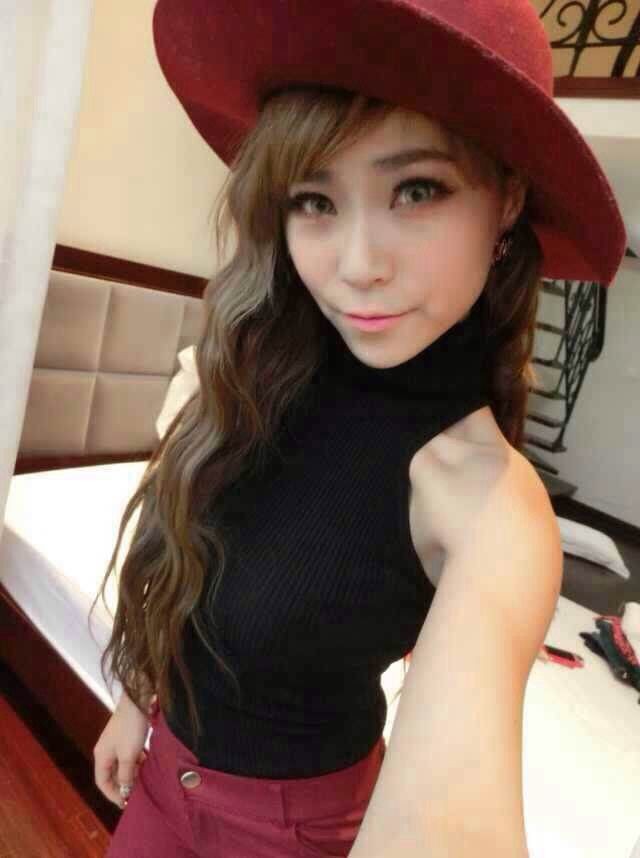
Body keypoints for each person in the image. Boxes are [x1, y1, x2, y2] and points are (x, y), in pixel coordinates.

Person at [90, 1, 627, 856]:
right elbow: (191, 569)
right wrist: (136, 700)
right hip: (162, 779)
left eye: (416, 190)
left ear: (508, 200)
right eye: (315, 200)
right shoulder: (256, 368)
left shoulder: (485, 503)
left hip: (290, 833)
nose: (356, 265)